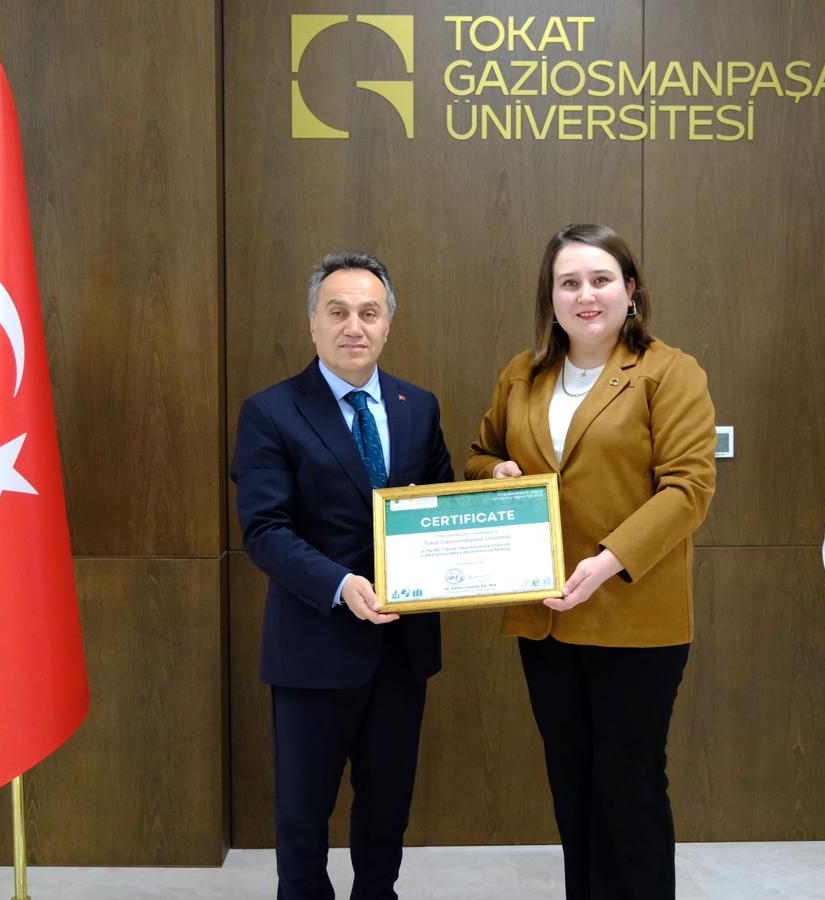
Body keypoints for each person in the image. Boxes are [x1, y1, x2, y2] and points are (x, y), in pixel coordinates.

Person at [466, 224, 716, 899]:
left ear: (630, 290)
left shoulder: (670, 372)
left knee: (628, 788)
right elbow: (481, 453)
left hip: (634, 616)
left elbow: (689, 488)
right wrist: (495, 473)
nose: (585, 295)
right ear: (550, 298)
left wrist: (607, 562)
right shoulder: (523, 374)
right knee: (572, 788)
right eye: (568, 282)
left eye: (601, 279)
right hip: (546, 620)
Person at [232, 251, 452, 900]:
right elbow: (265, 530)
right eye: (338, 312)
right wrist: (341, 586)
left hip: (402, 651)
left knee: (386, 816)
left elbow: (440, 507)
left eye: (368, 312)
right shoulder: (272, 411)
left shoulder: (418, 405)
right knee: (302, 824)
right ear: (313, 323)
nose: (354, 326)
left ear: (388, 324)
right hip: (313, 650)